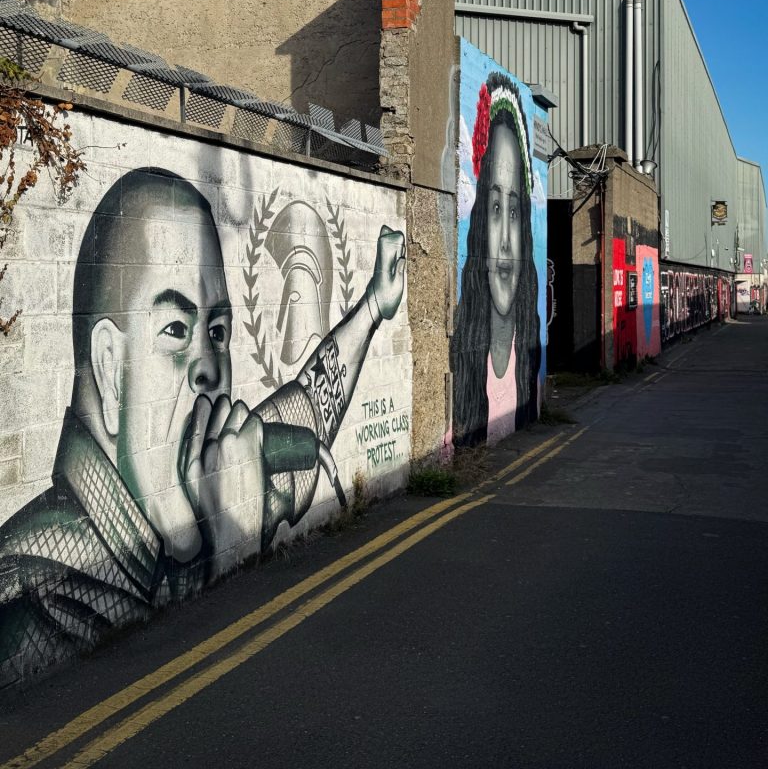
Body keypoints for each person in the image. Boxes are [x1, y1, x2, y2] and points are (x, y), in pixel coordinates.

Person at [0, 168, 405, 685]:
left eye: (217, 330)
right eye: (176, 330)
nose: (210, 366)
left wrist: (373, 305)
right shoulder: (33, 598)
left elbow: (309, 404)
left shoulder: (207, 473)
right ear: (109, 368)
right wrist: (226, 550)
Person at [451, 72, 541, 447]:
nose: (504, 242)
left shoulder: (530, 354)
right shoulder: (463, 357)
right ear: (479, 224)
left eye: (516, 212)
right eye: (495, 207)